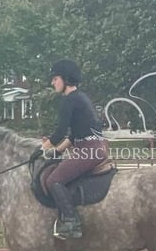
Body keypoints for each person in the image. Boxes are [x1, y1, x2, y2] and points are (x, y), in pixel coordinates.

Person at [40, 59, 109, 240]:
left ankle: (71, 222)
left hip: (89, 150)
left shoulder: (69, 101)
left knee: (53, 180)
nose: (52, 83)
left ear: (65, 79)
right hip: (93, 147)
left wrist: (41, 149)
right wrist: (57, 152)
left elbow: (60, 132)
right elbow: (73, 136)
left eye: (55, 79)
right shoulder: (81, 98)